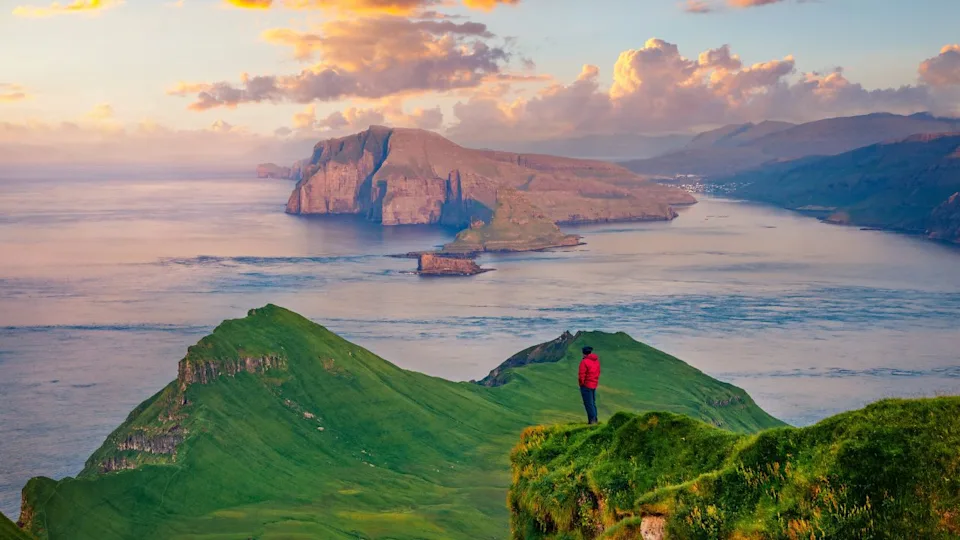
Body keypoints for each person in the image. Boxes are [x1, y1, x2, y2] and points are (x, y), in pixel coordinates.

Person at [578, 346, 600, 424]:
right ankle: (594, 419)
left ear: (583, 353)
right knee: (592, 403)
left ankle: (592, 422)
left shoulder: (584, 362)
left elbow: (581, 375)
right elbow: (598, 372)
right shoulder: (596, 361)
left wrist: (581, 384)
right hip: (594, 384)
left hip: (586, 385)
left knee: (588, 404)